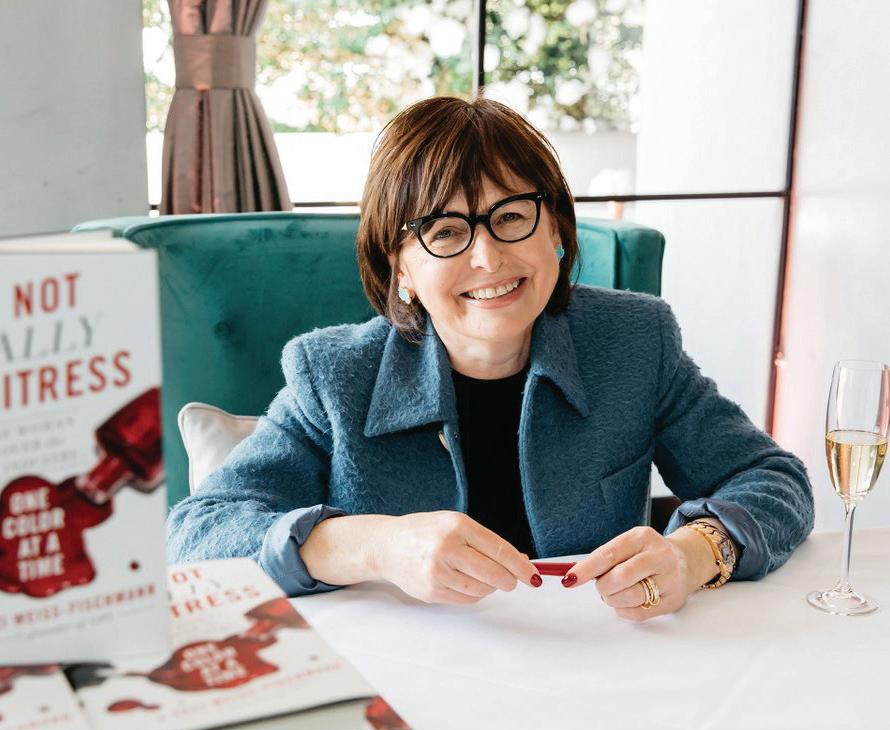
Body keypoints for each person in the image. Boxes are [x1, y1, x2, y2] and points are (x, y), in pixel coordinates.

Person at [167, 96, 814, 622]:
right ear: (401, 269)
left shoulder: (635, 340)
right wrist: (376, 545)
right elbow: (197, 533)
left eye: (511, 216)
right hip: (403, 677)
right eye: (445, 231)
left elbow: (773, 477)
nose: (488, 258)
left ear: (556, 229)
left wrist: (697, 553)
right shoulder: (333, 375)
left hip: (598, 667)